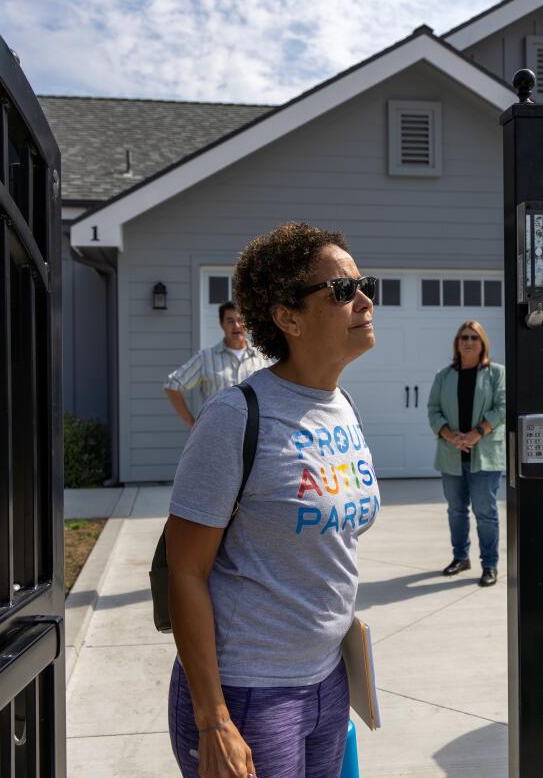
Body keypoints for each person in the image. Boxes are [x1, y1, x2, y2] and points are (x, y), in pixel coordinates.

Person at [164, 222, 380, 778]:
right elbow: (184, 572)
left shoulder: (343, 405)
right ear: (288, 318)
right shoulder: (234, 417)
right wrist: (214, 720)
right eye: (341, 290)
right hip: (248, 695)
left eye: (364, 283)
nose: (364, 299)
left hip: (327, 682)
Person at [426, 320, 506, 588]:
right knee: (456, 511)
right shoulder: (444, 376)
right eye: (464, 337)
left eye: (474, 337)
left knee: (485, 513)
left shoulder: (496, 374)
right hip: (451, 455)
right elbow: (433, 409)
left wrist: (475, 434)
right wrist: (450, 435)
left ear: (482, 343)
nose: (469, 342)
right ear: (457, 343)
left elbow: (502, 408)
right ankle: (461, 557)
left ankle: (489, 564)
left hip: (484, 456)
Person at [164, 301, 274, 428]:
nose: (236, 325)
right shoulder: (205, 358)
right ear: (222, 324)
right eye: (230, 321)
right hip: (216, 435)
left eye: (240, 320)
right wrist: (193, 424)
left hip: (256, 436)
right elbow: (172, 384)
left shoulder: (262, 358)